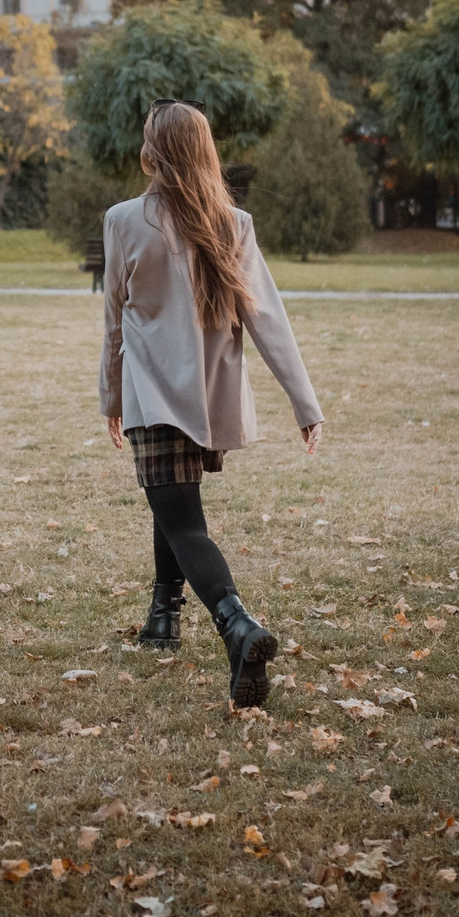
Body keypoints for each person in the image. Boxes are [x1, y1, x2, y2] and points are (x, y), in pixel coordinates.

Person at [99, 100, 324, 709]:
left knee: (181, 519)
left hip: (153, 394)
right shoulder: (234, 222)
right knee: (170, 497)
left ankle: (237, 625)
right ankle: (163, 620)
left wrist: (111, 396)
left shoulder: (123, 220)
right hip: (207, 402)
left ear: (154, 150)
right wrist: (305, 402)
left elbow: (115, 323)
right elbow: (267, 318)